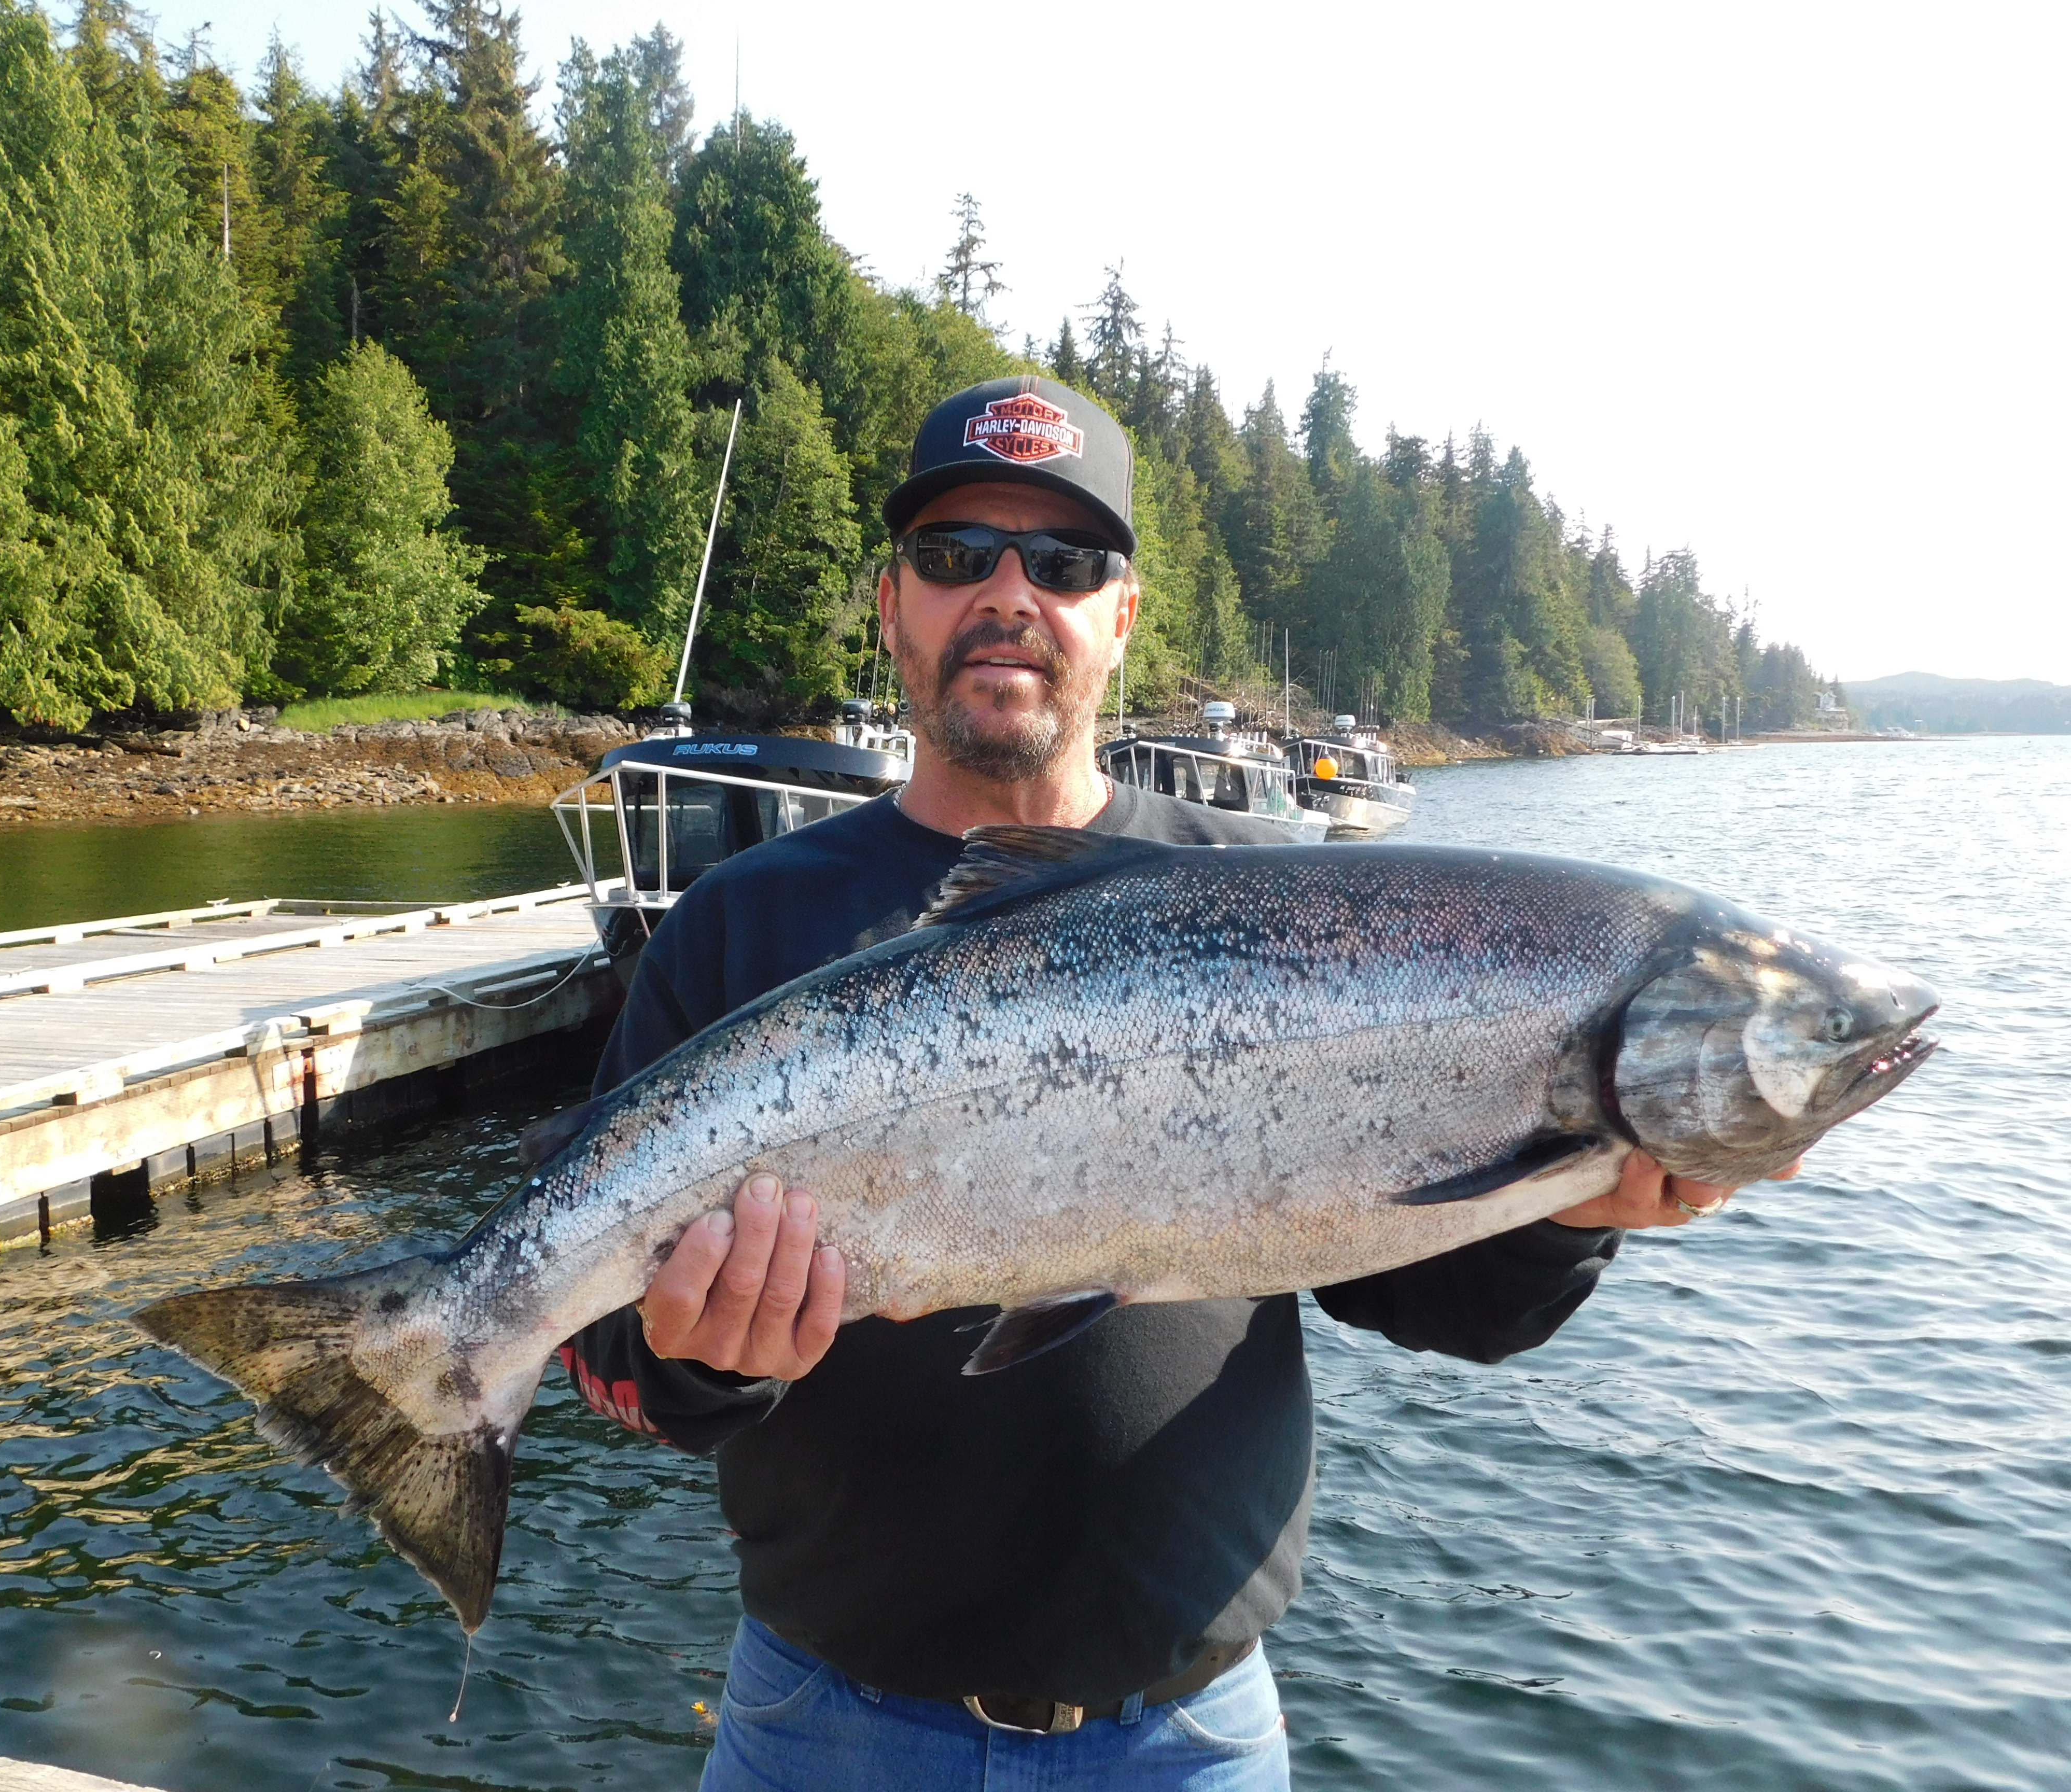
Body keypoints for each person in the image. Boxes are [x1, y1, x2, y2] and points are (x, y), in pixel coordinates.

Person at [559, 376, 1784, 1790]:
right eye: (960, 555)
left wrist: (1579, 1213)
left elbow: (1438, 1297)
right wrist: (708, 1360)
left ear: (1120, 618)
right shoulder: (738, 925)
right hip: (824, 1728)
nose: (1010, 594)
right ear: (892, 603)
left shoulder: (1283, 902)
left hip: (1185, 1742)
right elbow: (608, 1358)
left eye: (1066, 563)